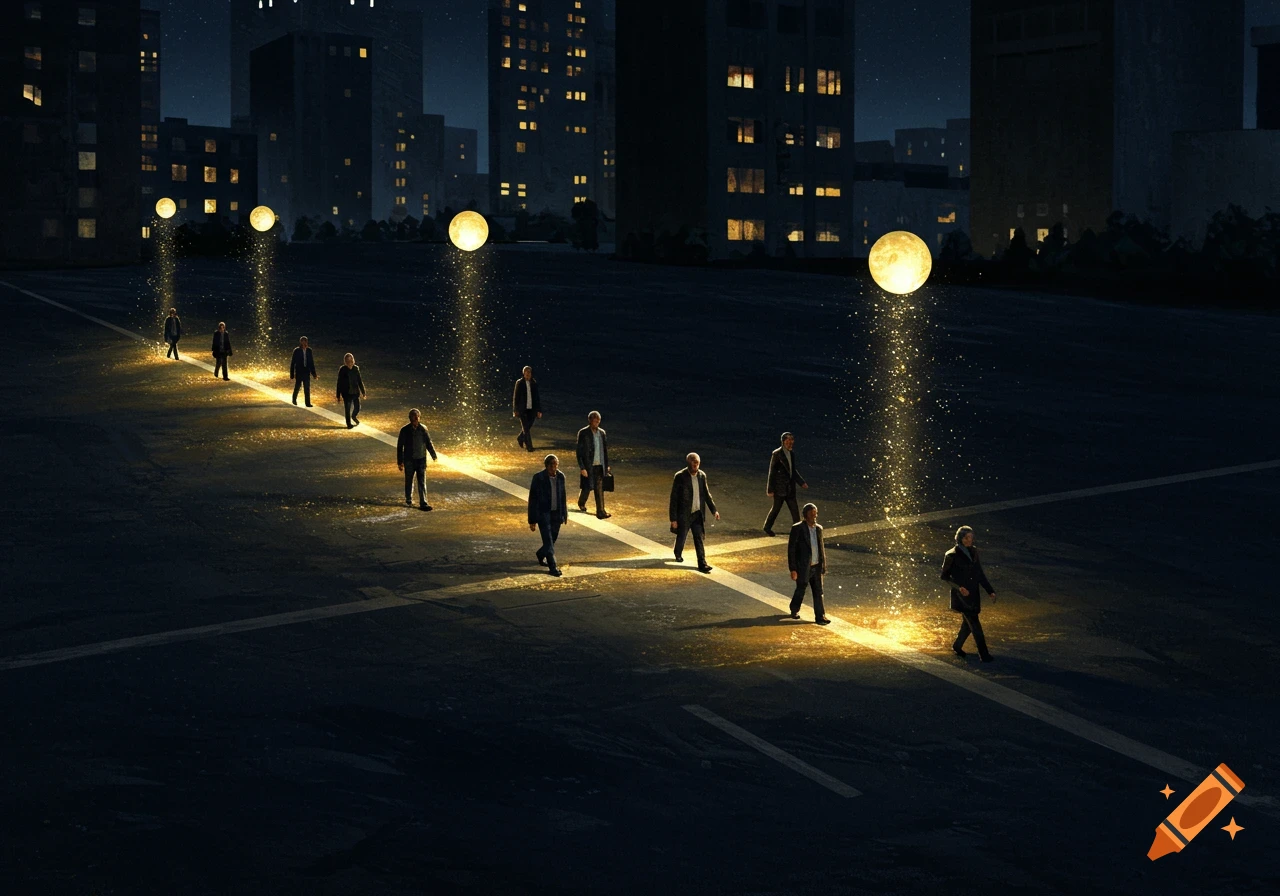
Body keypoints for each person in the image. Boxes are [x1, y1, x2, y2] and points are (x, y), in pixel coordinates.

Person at [940, 525, 997, 662]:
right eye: (966, 537)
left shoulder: (974, 552)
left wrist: (990, 590)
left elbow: (979, 573)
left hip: (973, 593)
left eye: (971, 537)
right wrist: (959, 587)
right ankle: (984, 654)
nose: (969, 540)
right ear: (960, 538)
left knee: (968, 625)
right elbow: (945, 576)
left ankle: (957, 645)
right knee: (975, 624)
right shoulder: (951, 555)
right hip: (962, 596)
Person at [669, 452, 719, 573]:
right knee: (682, 535)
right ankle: (677, 552)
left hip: (697, 514)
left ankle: (702, 564)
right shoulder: (680, 476)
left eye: (697, 462)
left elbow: (707, 495)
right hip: (684, 514)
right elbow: (674, 498)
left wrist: (714, 510)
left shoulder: (702, 476)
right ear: (688, 463)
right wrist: (673, 519)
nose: (696, 464)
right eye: (693, 462)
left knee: (699, 538)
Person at [787, 503, 829, 624]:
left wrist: (823, 566)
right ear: (806, 515)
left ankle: (820, 616)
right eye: (812, 514)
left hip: (816, 566)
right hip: (803, 566)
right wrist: (793, 569)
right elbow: (792, 550)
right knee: (801, 589)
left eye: (815, 514)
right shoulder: (798, 528)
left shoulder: (818, 529)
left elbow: (821, 549)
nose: (814, 516)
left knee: (818, 592)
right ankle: (794, 609)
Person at [528, 453, 568, 576]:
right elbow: (533, 499)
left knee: (553, 538)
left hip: (557, 513)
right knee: (549, 541)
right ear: (546, 466)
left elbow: (563, 496)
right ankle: (553, 567)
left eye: (555, 464)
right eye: (551, 465)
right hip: (543, 513)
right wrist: (532, 520)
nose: (553, 467)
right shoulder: (538, 478)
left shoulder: (561, 477)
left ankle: (540, 554)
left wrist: (564, 514)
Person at [764, 431, 809, 536]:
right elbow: (772, 472)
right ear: (783, 441)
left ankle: (798, 531)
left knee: (795, 511)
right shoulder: (777, 454)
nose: (790, 442)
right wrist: (770, 489)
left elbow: (793, 470)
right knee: (776, 509)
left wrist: (801, 482)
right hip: (779, 488)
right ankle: (767, 527)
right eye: (788, 440)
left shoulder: (791, 454)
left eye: (792, 440)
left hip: (790, 488)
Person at [396, 408, 438, 510]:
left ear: (419, 417)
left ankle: (423, 502)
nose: (414, 419)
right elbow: (400, 446)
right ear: (409, 418)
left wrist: (434, 455)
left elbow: (428, 443)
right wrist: (400, 462)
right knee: (409, 480)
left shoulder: (423, 429)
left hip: (421, 459)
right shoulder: (404, 430)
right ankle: (408, 499)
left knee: (422, 481)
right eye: (412, 417)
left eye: (416, 417)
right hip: (409, 460)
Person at [575, 410, 611, 519]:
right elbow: (579, 452)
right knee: (587, 487)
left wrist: (606, 465)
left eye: (598, 421)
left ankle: (601, 511)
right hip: (588, 465)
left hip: (599, 465)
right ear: (590, 421)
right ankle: (581, 502)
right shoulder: (583, 433)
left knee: (599, 488)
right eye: (594, 421)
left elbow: (604, 451)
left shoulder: (602, 433)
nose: (596, 423)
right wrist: (582, 467)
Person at [512, 366, 542, 452]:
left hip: (532, 409)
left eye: (529, 372)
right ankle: (529, 447)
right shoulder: (519, 383)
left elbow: (537, 398)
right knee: (526, 429)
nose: (528, 374)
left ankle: (520, 438)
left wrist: (539, 410)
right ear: (523, 373)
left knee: (528, 427)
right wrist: (515, 410)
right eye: (526, 372)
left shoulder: (533, 383)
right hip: (522, 409)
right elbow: (516, 397)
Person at [336, 353, 367, 428]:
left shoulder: (356, 368)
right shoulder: (342, 369)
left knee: (357, 407)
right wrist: (338, 395)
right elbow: (339, 382)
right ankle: (348, 423)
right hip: (347, 393)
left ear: (353, 360)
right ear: (345, 361)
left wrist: (363, 392)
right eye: (348, 361)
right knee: (347, 409)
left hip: (355, 392)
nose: (350, 362)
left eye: (351, 360)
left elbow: (359, 381)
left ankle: (354, 416)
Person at [290, 336, 318, 406]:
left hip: (306, 372)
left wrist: (314, 374)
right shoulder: (297, 350)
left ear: (306, 342)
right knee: (297, 386)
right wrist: (292, 374)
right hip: (299, 372)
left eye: (305, 341)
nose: (304, 342)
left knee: (307, 388)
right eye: (302, 341)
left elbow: (311, 362)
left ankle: (307, 403)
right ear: (300, 342)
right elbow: (293, 363)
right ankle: (294, 399)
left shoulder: (309, 350)